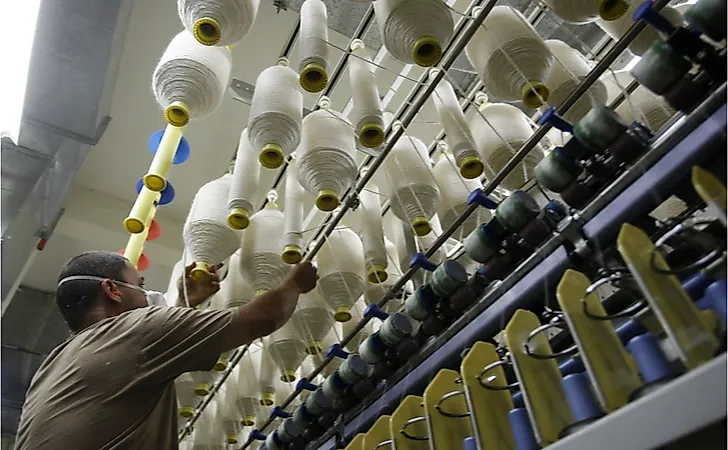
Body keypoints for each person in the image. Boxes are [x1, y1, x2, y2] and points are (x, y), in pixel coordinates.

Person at [14, 250, 318, 450]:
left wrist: (184, 307)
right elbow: (263, 318)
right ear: (113, 290)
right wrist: (294, 283)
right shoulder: (140, 328)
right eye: (140, 284)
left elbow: (135, 360)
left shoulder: (53, 364)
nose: (148, 294)